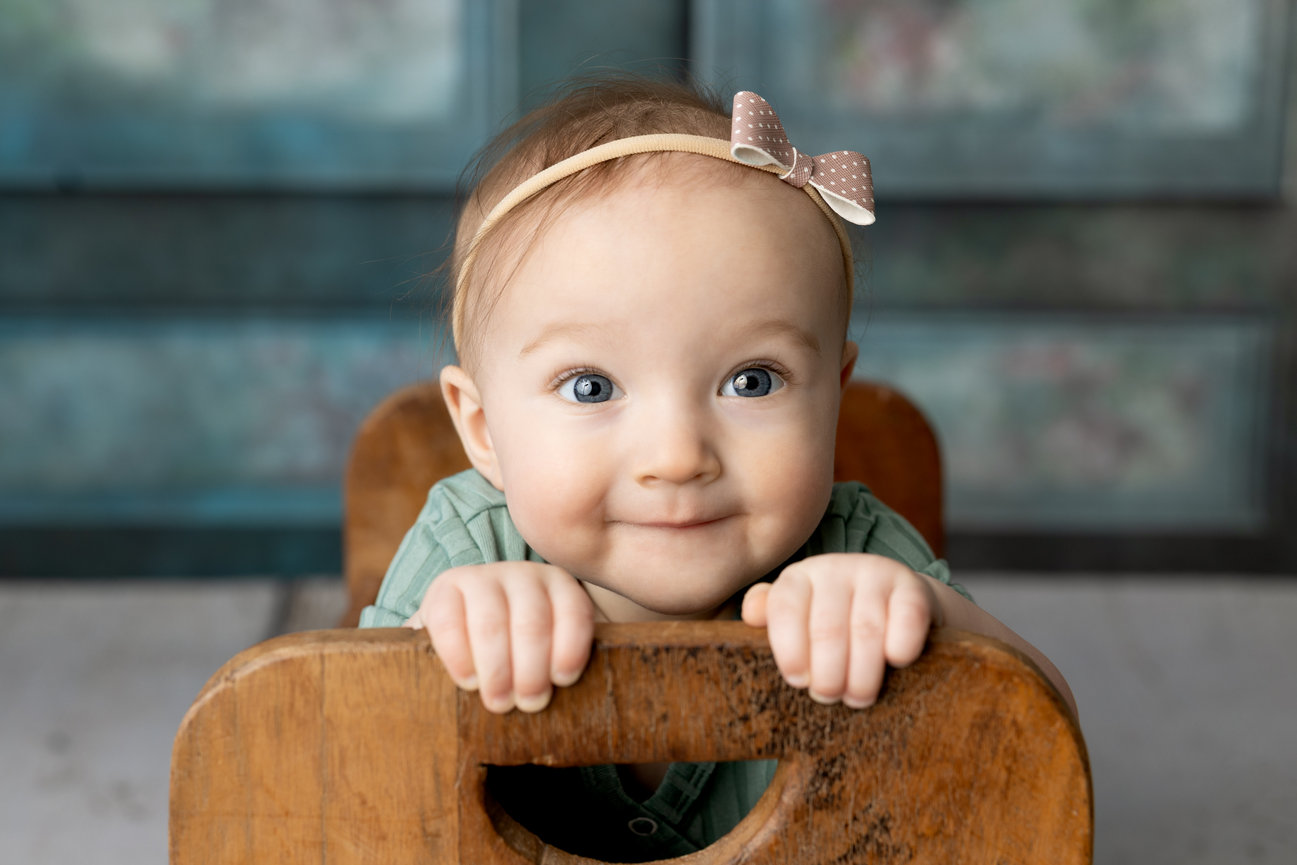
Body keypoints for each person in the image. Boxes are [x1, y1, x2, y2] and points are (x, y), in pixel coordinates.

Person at [361, 76, 1075, 861]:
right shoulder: (464, 550)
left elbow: (1041, 742)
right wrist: (441, 643)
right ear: (483, 427)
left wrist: (933, 620)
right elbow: (340, 784)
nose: (676, 457)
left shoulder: (857, 554)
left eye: (752, 380)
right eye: (590, 386)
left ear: (831, 401)